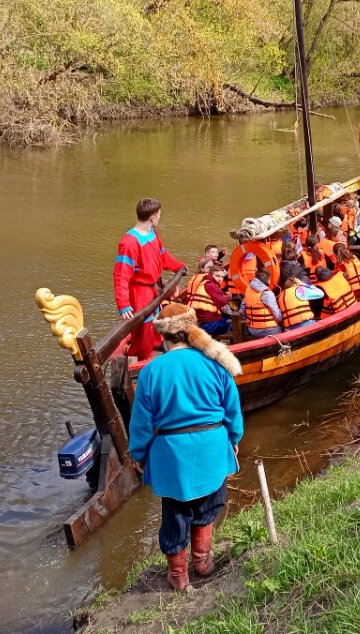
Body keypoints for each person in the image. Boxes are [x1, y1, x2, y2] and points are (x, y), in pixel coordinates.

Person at [128, 303, 242, 592]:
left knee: (176, 514)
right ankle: (202, 563)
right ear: (190, 330)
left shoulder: (151, 372)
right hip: (212, 446)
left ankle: (178, 576)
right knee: (209, 505)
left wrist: (139, 456)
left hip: (172, 456)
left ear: (163, 338)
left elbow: (140, 424)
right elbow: (232, 410)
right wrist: (234, 439)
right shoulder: (215, 363)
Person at [114, 198, 186, 361]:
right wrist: (124, 305)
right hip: (139, 292)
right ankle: (140, 361)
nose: (160, 218)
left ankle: (152, 351)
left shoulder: (153, 234)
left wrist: (179, 266)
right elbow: (121, 275)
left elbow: (162, 256)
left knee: (154, 325)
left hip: (152, 289)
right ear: (152, 217)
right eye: (159, 215)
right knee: (143, 329)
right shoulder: (129, 242)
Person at [185, 262, 232, 336]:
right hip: (208, 325)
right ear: (210, 275)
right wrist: (233, 315)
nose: (220, 279)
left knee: (226, 317)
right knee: (232, 323)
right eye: (217, 276)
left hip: (201, 322)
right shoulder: (211, 285)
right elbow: (223, 304)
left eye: (222, 277)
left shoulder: (205, 282)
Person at [241, 269, 282, 337]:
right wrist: (281, 320)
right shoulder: (267, 293)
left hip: (252, 329)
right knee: (283, 327)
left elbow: (242, 309)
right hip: (268, 330)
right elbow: (277, 315)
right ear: (267, 279)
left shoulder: (248, 290)